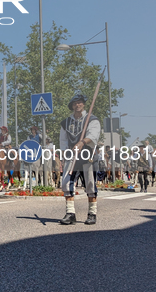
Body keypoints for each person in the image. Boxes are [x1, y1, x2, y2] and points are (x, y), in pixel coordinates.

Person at [59, 93, 101, 225]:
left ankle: (92, 213)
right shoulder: (65, 122)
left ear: (83, 104)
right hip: (72, 155)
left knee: (90, 183)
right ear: (72, 105)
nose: (78, 105)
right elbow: (63, 140)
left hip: (87, 155)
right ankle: (70, 213)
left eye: (80, 102)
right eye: (75, 103)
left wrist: (82, 142)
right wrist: (65, 152)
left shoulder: (92, 119)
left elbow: (93, 135)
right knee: (67, 182)